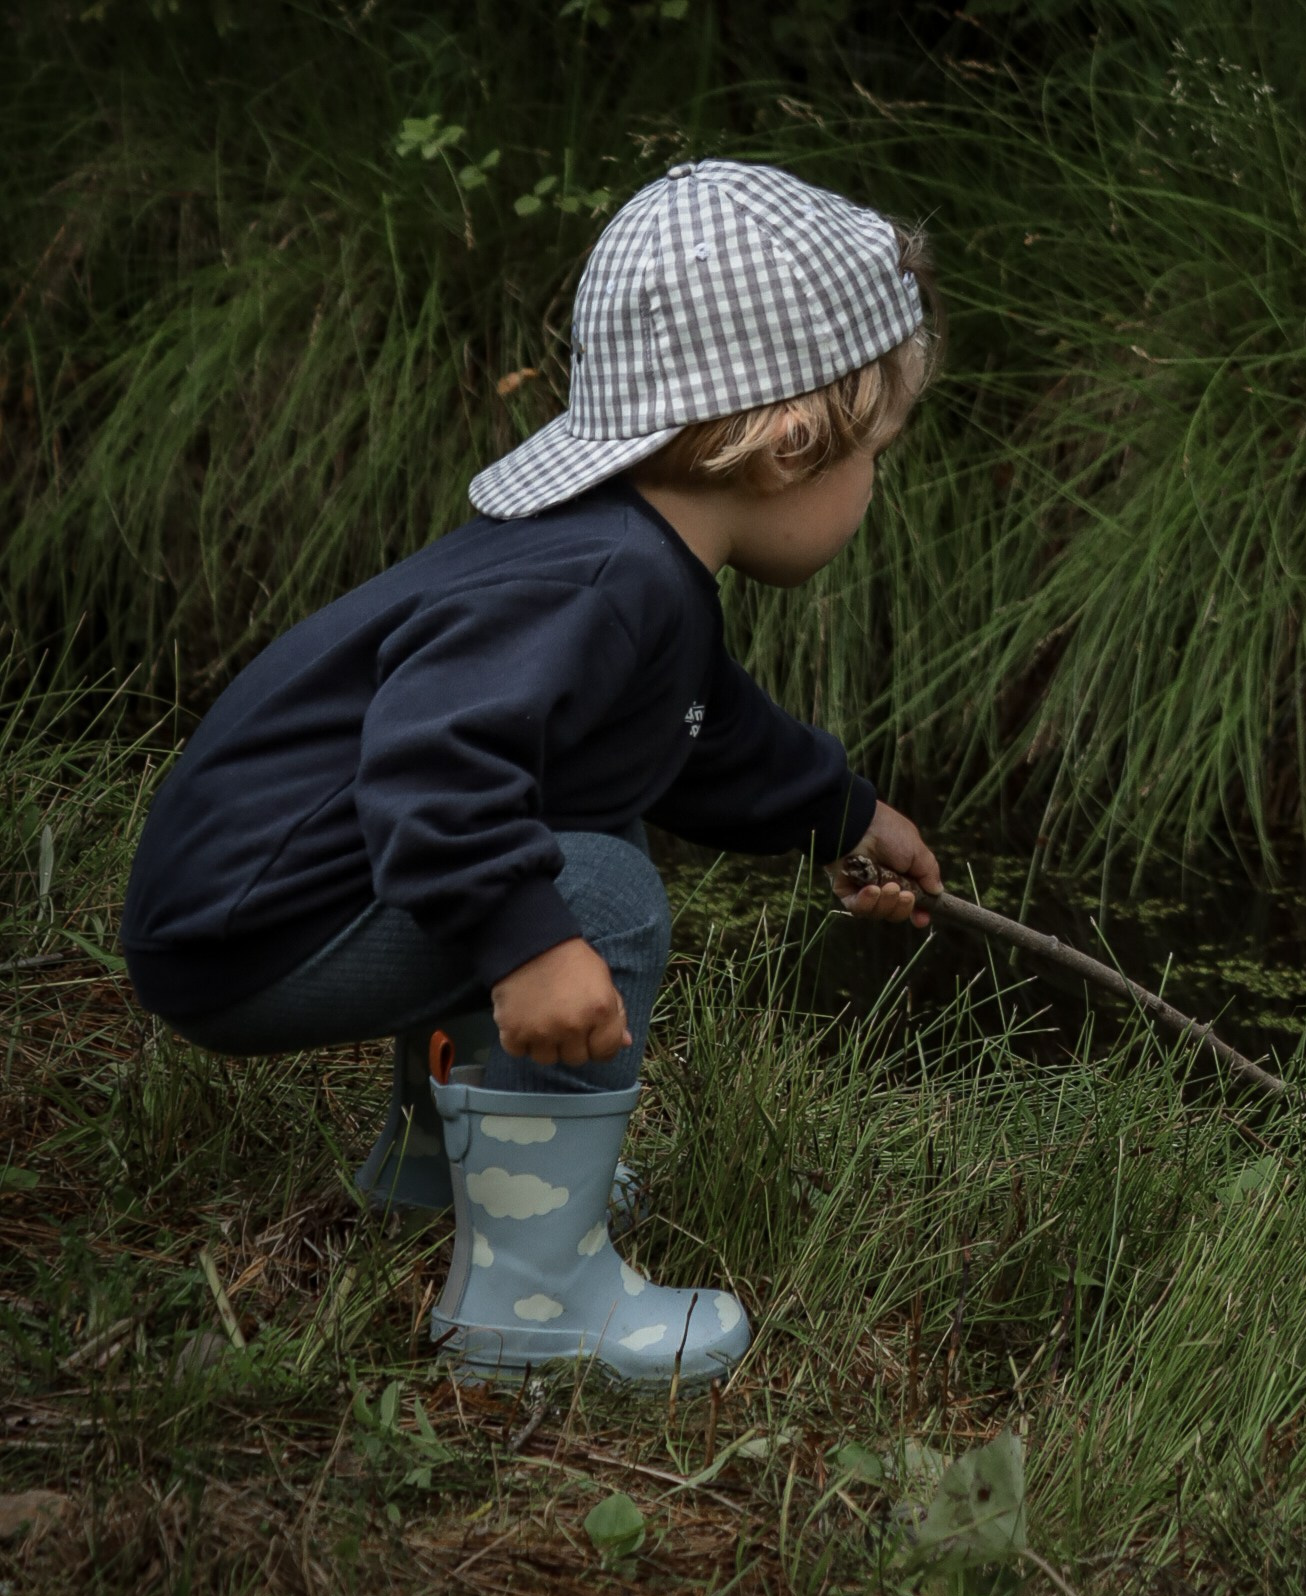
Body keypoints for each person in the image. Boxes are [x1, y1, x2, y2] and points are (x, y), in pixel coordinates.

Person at [121, 160, 942, 1385]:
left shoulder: (624, 559)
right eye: (874, 448)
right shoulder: (600, 578)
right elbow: (429, 762)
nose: (874, 481)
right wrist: (526, 933)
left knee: (561, 835)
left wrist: (841, 810)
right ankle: (532, 1297)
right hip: (248, 926)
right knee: (593, 894)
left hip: (260, 900)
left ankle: (433, 1166)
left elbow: (701, 731)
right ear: (788, 443)